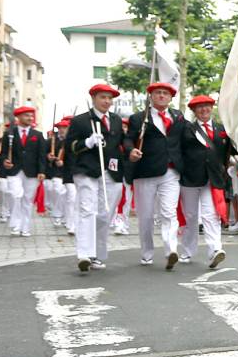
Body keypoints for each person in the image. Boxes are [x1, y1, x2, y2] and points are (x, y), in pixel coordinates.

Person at [125, 82, 185, 268]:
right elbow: (128, 138)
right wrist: (131, 150)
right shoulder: (138, 118)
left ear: (170, 97)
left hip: (171, 171)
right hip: (145, 172)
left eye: (165, 93)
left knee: (169, 212)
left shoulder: (178, 116)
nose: (161, 96)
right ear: (151, 96)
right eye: (157, 93)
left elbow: (186, 138)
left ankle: (171, 251)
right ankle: (146, 253)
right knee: (146, 216)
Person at [65, 84, 124, 273]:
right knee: (86, 210)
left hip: (111, 171)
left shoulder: (115, 120)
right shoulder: (80, 121)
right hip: (87, 171)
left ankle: (97, 254)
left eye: (109, 98)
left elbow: (121, 144)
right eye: (102, 97)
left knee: (104, 214)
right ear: (94, 98)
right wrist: (87, 142)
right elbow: (70, 146)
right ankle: (84, 254)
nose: (106, 101)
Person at [178, 94, 235, 270]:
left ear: (212, 108)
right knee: (191, 216)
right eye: (200, 107)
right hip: (190, 178)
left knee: (211, 215)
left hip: (213, 179)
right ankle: (187, 250)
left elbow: (231, 150)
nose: (204, 109)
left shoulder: (222, 129)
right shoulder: (186, 129)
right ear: (194, 111)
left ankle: (215, 250)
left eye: (207, 106)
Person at [0, 106, 46, 238]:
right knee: (14, 195)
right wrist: (4, 160)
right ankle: (16, 224)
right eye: (27, 115)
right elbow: (4, 153)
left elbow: (42, 155)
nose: (30, 118)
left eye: (31, 116)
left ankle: (25, 227)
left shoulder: (37, 135)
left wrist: (42, 171)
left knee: (27, 200)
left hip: (32, 172)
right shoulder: (9, 134)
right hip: (14, 170)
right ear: (19, 117)